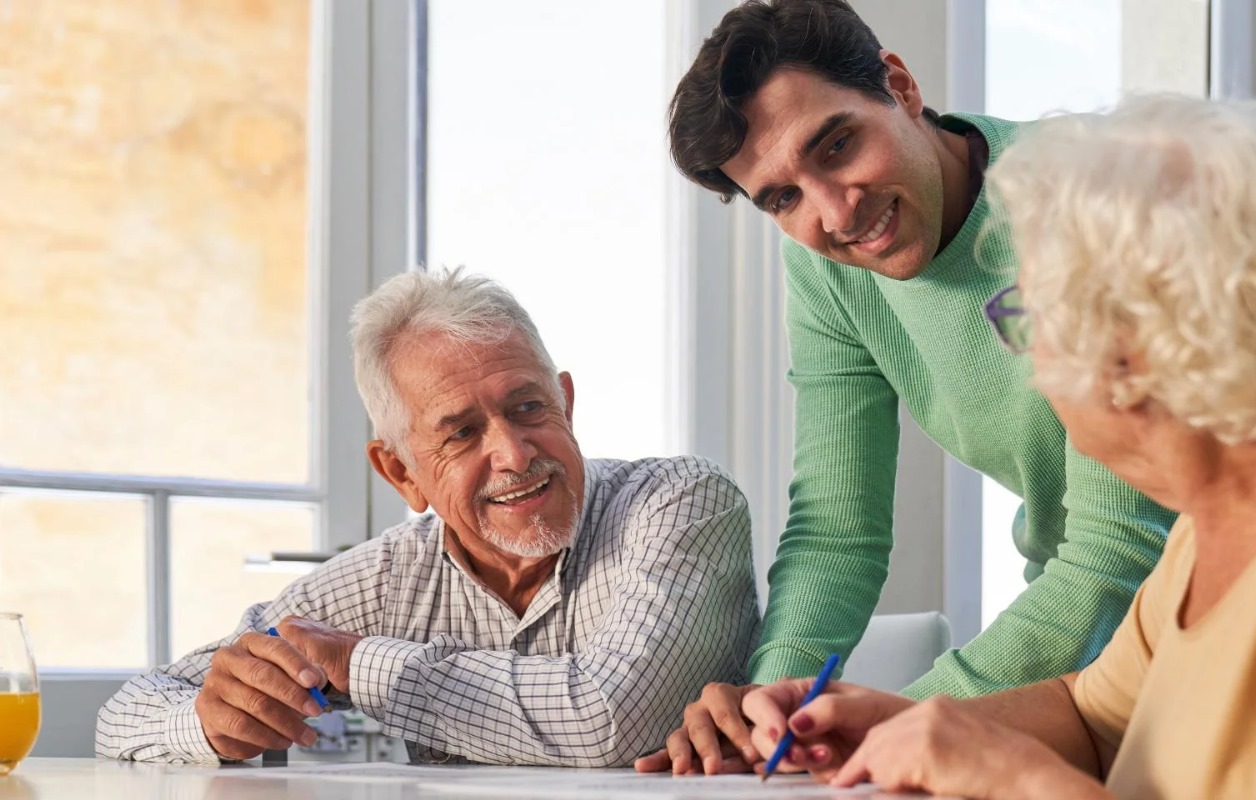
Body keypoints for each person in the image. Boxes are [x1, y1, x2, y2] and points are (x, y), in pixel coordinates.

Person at [737, 93, 1256, 798]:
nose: (1026, 355)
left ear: (1134, 352)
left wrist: (1020, 781)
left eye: (1028, 317)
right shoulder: (1220, 518)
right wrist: (902, 721)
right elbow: (1095, 713)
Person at [639, 0, 1176, 774]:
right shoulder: (827, 268)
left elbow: (1120, 542)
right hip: (1080, 673)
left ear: (901, 85)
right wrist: (773, 716)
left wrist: (897, 727)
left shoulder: (1083, 198)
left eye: (837, 144)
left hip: (1208, 626)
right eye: (782, 198)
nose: (835, 211)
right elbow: (837, 528)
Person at [96, 269, 761, 766]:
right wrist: (212, 723)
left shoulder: (677, 503)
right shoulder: (384, 579)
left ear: (565, 402)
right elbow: (125, 714)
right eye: (463, 432)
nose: (512, 453)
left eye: (529, 408)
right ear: (402, 473)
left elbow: (614, 718)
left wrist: (362, 666)